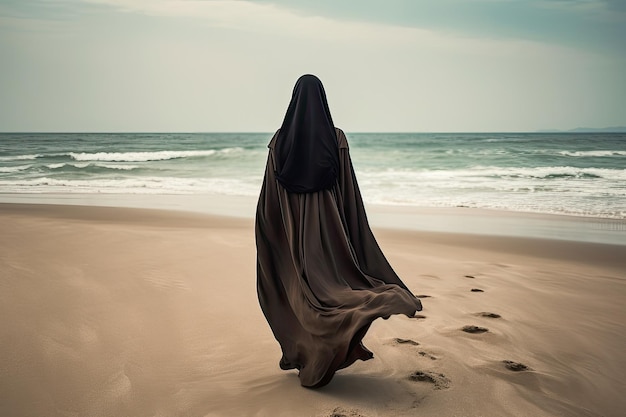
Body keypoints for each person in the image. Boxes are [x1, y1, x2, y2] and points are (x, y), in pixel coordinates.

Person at [255, 74, 422, 388]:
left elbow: (270, 197)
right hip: (330, 235)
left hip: (294, 235)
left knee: (304, 293)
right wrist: (353, 231)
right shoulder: (336, 137)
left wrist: (269, 233)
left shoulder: (279, 141)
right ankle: (336, 347)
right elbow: (348, 191)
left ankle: (313, 354)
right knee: (336, 290)